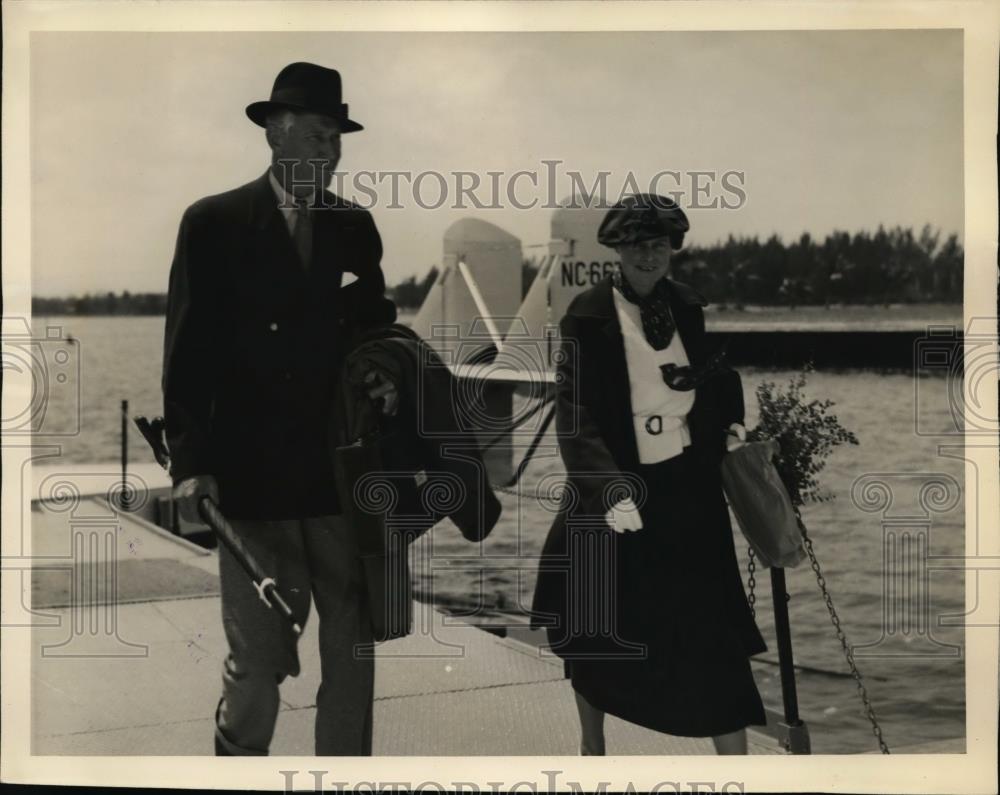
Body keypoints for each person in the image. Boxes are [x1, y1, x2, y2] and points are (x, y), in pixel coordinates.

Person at [162, 62, 394, 756]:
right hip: (250, 481)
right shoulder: (213, 223)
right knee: (260, 662)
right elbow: (186, 353)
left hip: (339, 475)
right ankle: (238, 760)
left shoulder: (355, 226)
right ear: (277, 133)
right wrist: (191, 463)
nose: (331, 153)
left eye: (338, 140)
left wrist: (385, 369)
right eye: (320, 136)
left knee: (353, 650)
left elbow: (375, 324)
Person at [530, 193, 768, 755]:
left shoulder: (688, 305)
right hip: (618, 491)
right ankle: (593, 748)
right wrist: (609, 490)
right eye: (636, 244)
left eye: (658, 244)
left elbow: (715, 379)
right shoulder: (586, 315)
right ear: (616, 249)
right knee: (592, 627)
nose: (647, 255)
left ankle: (739, 771)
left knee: (708, 634)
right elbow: (575, 414)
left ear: (672, 250)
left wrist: (730, 427)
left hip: (687, 491)